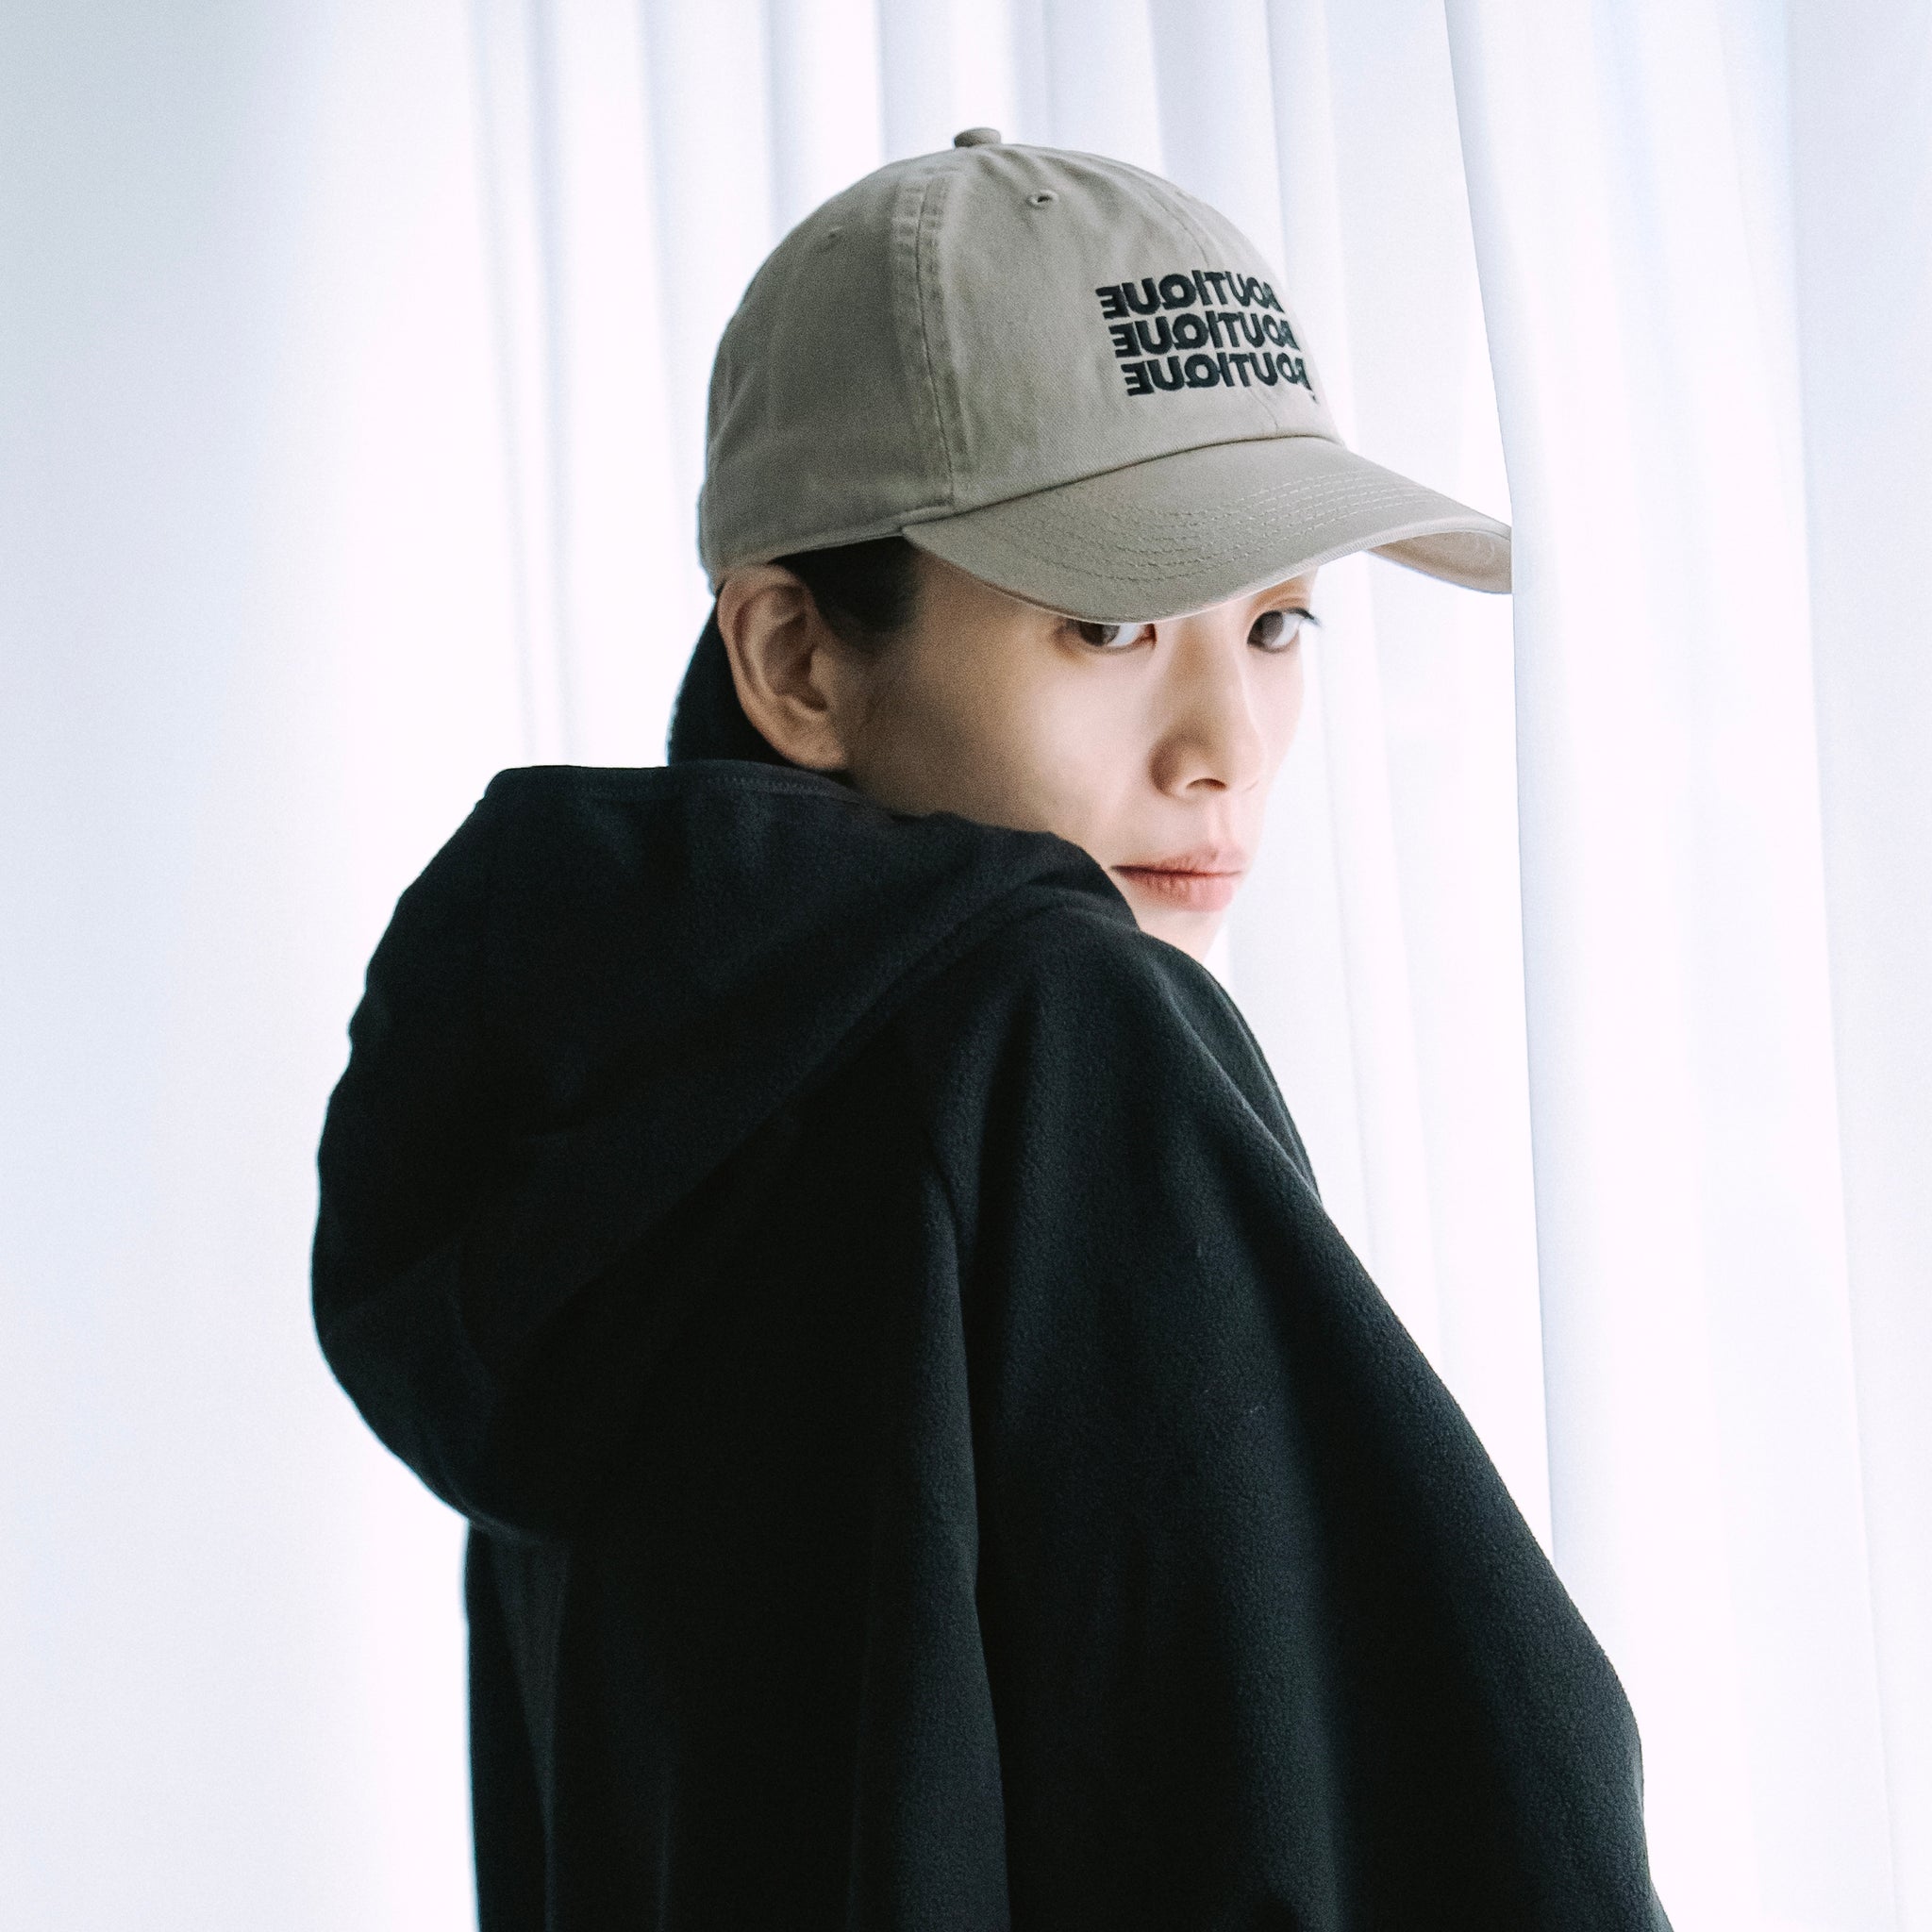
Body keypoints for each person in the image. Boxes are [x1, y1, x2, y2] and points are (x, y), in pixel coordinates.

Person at [312, 131, 1670, 1930]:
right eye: (1109, 623)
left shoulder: (601, 1101)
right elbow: (1472, 1810)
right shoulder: (1040, 1029)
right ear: (797, 660)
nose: (1225, 749)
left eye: (1276, 624)